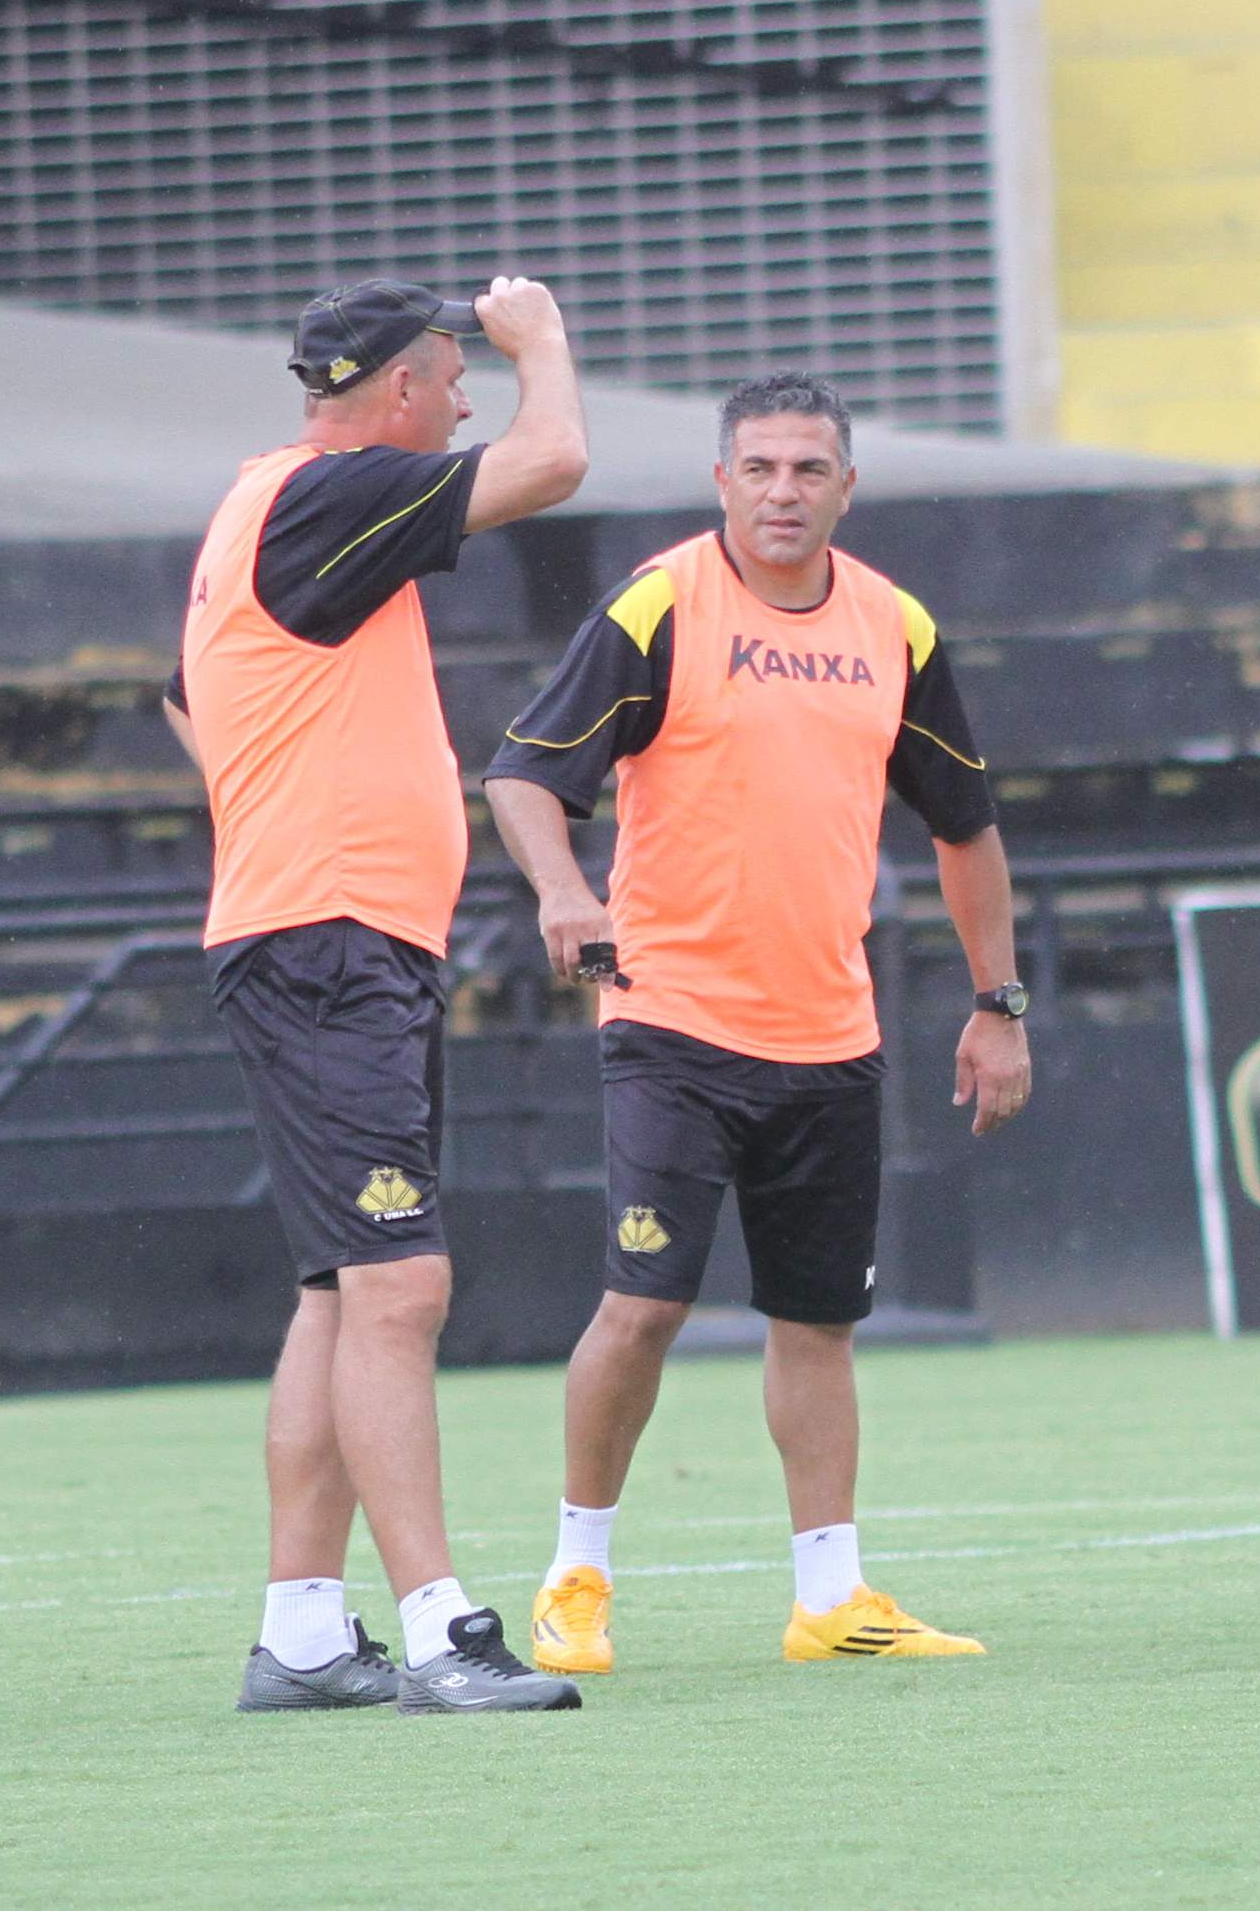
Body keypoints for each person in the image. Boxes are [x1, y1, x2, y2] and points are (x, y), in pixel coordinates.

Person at [481, 371, 1030, 1675]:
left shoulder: (893, 624)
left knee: (817, 1320)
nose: (783, 490)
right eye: (761, 468)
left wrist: (996, 1000)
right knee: (644, 1304)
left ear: (846, 485)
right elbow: (520, 772)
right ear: (722, 481)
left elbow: (965, 828)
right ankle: (575, 1574)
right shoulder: (663, 604)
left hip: (831, 1035)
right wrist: (565, 888)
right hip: (670, 1022)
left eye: (809, 469)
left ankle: (828, 1598)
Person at [163, 275, 590, 1714]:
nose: (467, 398)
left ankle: (298, 1631)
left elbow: (204, 697)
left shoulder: (269, 502)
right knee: (400, 1285)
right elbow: (554, 463)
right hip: (327, 941)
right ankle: (434, 1629)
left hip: (329, 934)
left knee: (342, 1295)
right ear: (400, 388)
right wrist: (541, 341)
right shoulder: (331, 493)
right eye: (453, 376)